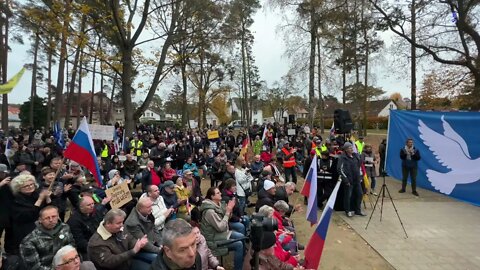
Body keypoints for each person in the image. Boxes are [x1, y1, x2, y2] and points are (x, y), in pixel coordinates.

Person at [199, 187, 244, 270]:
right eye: (218, 193)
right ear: (212, 197)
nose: (221, 194)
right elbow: (221, 227)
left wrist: (229, 210)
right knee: (239, 245)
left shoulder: (218, 205)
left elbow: (226, 219)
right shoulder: (210, 212)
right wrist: (227, 212)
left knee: (241, 236)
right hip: (213, 239)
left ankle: (241, 259)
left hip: (220, 234)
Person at [20, 205, 75, 270]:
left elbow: (72, 247)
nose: (51, 220)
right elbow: (34, 267)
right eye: (47, 218)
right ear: (40, 220)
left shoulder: (65, 228)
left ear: (58, 216)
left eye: (54, 216)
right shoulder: (29, 241)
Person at [8, 174, 51, 255]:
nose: (30, 187)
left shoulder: (36, 194)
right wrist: (40, 199)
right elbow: (29, 215)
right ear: (19, 188)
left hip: (41, 229)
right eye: (26, 186)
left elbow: (48, 209)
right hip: (25, 231)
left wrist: (47, 198)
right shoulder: (16, 200)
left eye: (31, 184)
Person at [67, 195, 109, 260]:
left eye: (93, 203)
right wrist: (96, 247)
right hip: (88, 248)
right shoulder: (74, 221)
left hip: (100, 240)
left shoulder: (92, 213)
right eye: (89, 205)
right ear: (81, 207)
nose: (92, 206)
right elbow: (80, 243)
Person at [337, 142, 364, 217]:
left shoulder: (356, 156)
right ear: (346, 149)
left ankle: (357, 210)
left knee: (360, 194)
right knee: (348, 196)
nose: (351, 149)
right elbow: (340, 169)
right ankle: (347, 211)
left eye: (352, 147)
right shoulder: (342, 158)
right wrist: (346, 180)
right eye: (349, 148)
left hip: (357, 180)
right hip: (349, 181)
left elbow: (359, 165)